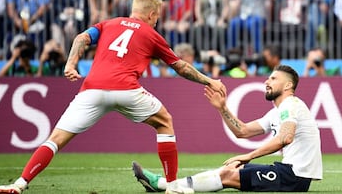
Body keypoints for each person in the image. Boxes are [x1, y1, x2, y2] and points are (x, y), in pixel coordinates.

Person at [0, 0, 225, 194]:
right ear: (152, 15)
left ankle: (19, 184)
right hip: (127, 90)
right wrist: (209, 80)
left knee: (55, 140)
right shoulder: (152, 34)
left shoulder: (108, 23)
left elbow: (81, 38)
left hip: (92, 89)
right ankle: (172, 185)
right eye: (157, 18)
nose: (156, 22)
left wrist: (71, 64)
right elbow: (180, 66)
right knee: (164, 122)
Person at [133, 65, 323, 192]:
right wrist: (222, 108)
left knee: (227, 175)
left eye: (273, 78)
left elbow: (285, 138)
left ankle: (162, 184)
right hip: (287, 172)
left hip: (294, 177)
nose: (267, 81)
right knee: (231, 168)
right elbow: (243, 131)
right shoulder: (277, 112)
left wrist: (248, 156)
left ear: (288, 85)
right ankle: (166, 185)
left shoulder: (291, 104)